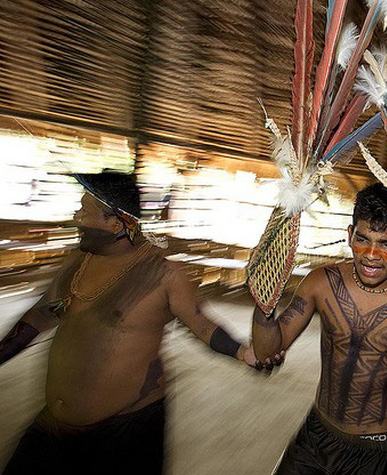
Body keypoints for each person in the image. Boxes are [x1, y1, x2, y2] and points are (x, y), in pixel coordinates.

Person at [0, 172, 255, 474]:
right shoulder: (77, 262)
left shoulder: (162, 274)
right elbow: (46, 312)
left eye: (85, 209)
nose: (76, 216)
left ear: (116, 223)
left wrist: (242, 352)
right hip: (52, 432)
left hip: (124, 435)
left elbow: (201, 323)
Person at [246, 182, 387, 475]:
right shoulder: (322, 282)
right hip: (316, 435)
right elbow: (267, 351)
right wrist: (264, 304)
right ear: (349, 235)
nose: (371, 254)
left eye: (386, 244)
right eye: (363, 239)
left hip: (375, 452)